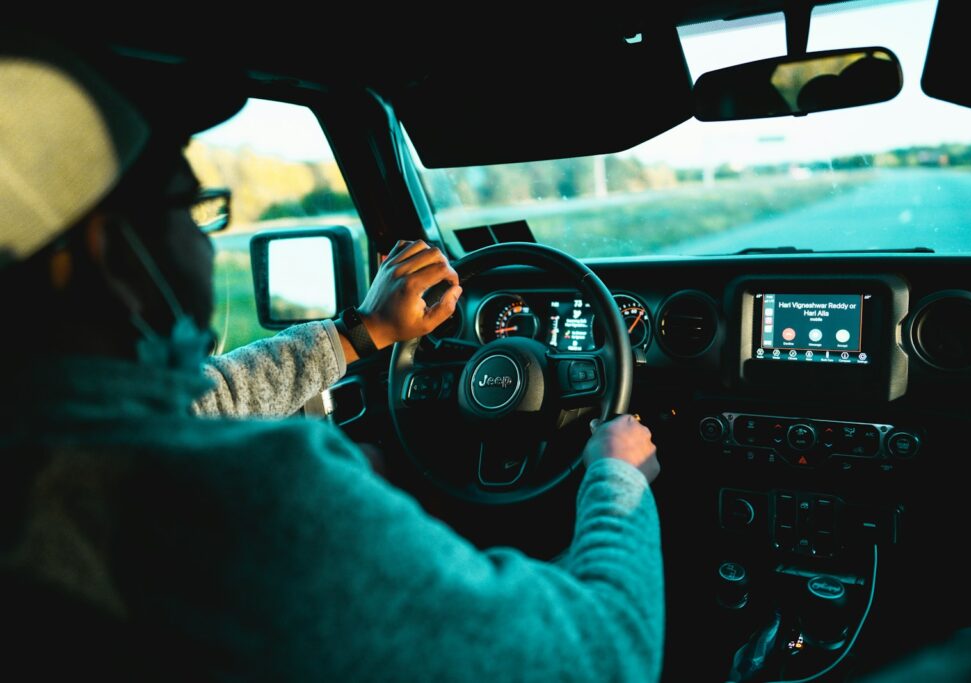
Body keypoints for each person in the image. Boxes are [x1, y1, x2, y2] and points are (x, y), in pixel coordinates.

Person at [0, 37, 663, 681]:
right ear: (105, 252)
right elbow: (602, 656)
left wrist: (360, 332)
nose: (203, 246)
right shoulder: (252, 499)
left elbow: (207, 399)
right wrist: (615, 477)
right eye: (190, 208)